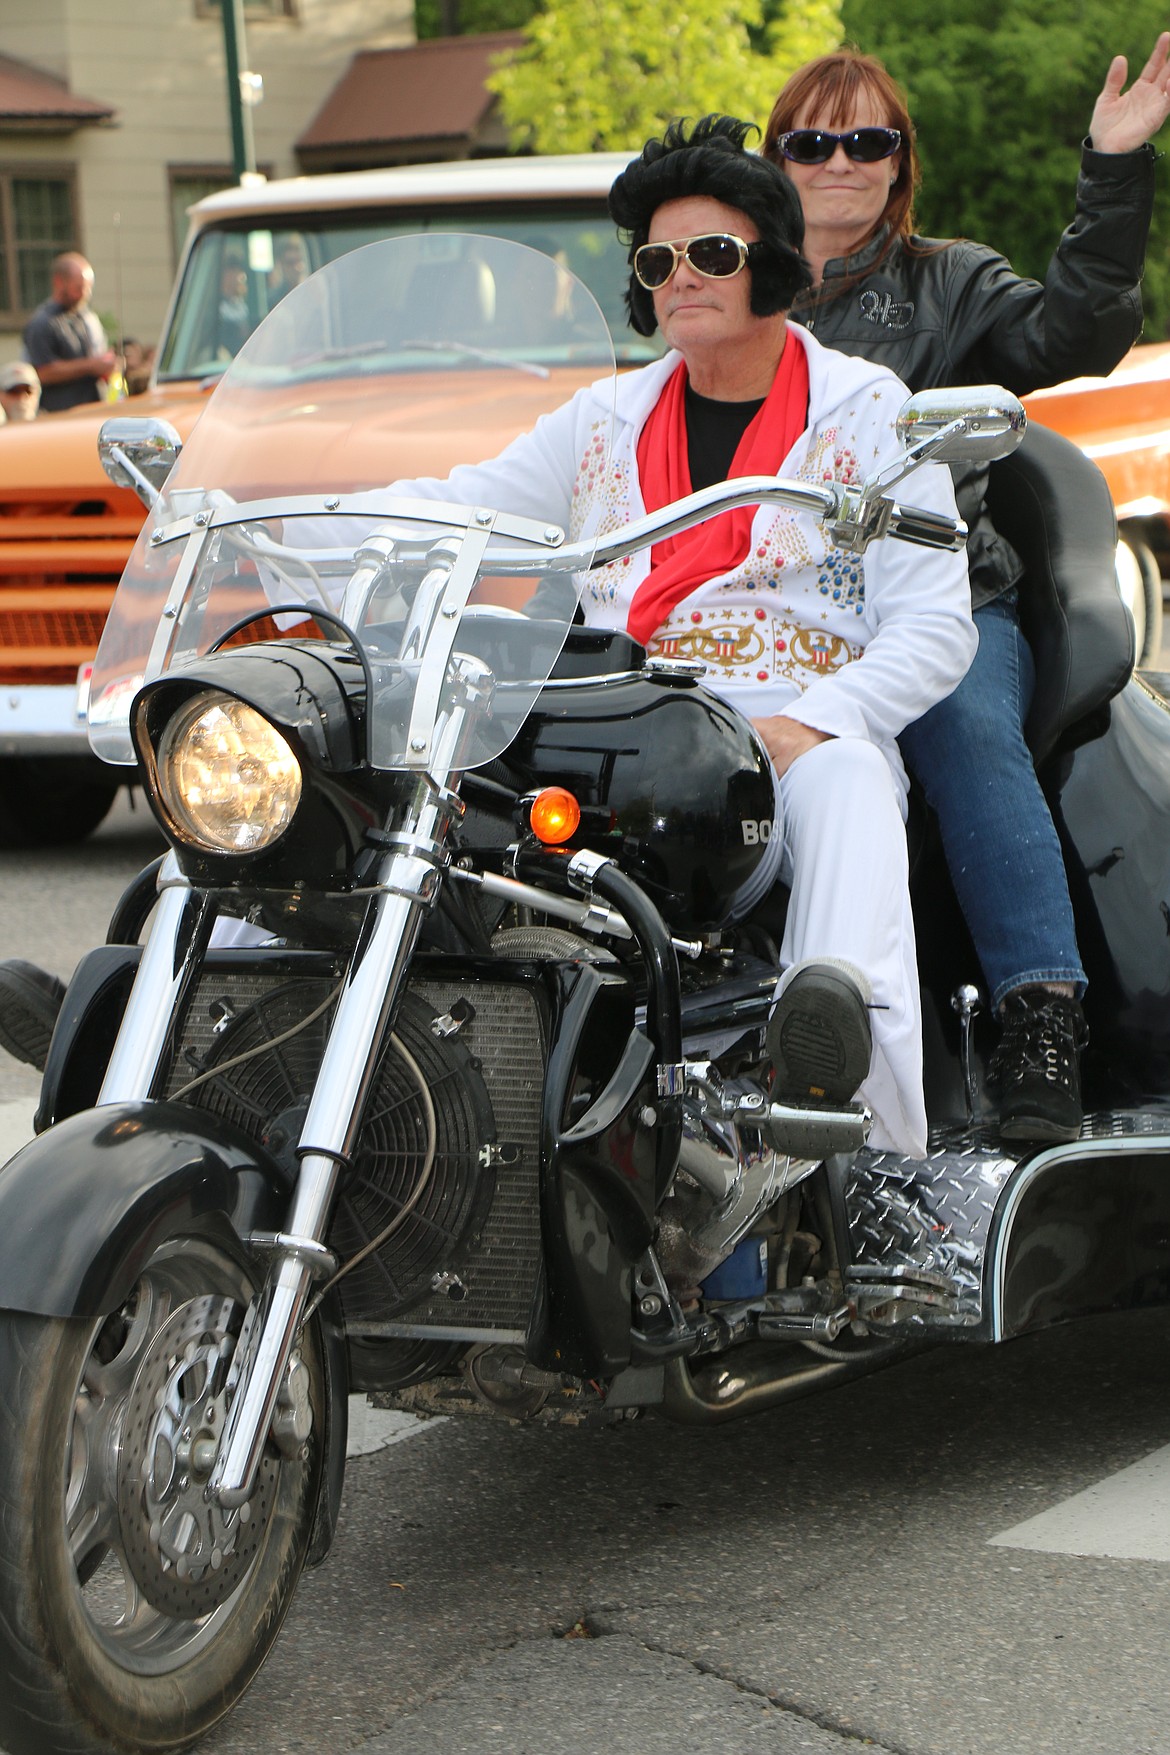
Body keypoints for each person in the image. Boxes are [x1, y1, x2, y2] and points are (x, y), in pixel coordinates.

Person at [0, 117, 975, 1160]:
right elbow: (459, 505)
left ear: (773, 266)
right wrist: (276, 518)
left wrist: (814, 724)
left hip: (789, 724)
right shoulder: (605, 416)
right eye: (657, 261)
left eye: (712, 255)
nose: (680, 277)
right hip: (627, 714)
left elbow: (934, 628)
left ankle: (855, 1126)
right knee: (341, 776)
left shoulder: (871, 414)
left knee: (856, 790)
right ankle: (166, 1034)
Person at [762, 39, 1170, 1142]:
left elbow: (1078, 330)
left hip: (936, 596)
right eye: (813, 142)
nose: (840, 161)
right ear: (777, 163)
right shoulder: (733, 292)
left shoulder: (950, 281)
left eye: (868, 141)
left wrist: (1113, 167)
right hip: (771, 606)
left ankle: (1041, 1015)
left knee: (958, 722)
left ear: (900, 165)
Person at [22, 252, 120, 413]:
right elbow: (43, 372)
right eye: (79, 287)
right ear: (59, 282)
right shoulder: (42, 323)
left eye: (88, 288)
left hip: (94, 407)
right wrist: (91, 365)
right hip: (59, 413)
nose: (85, 294)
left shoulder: (88, 319)